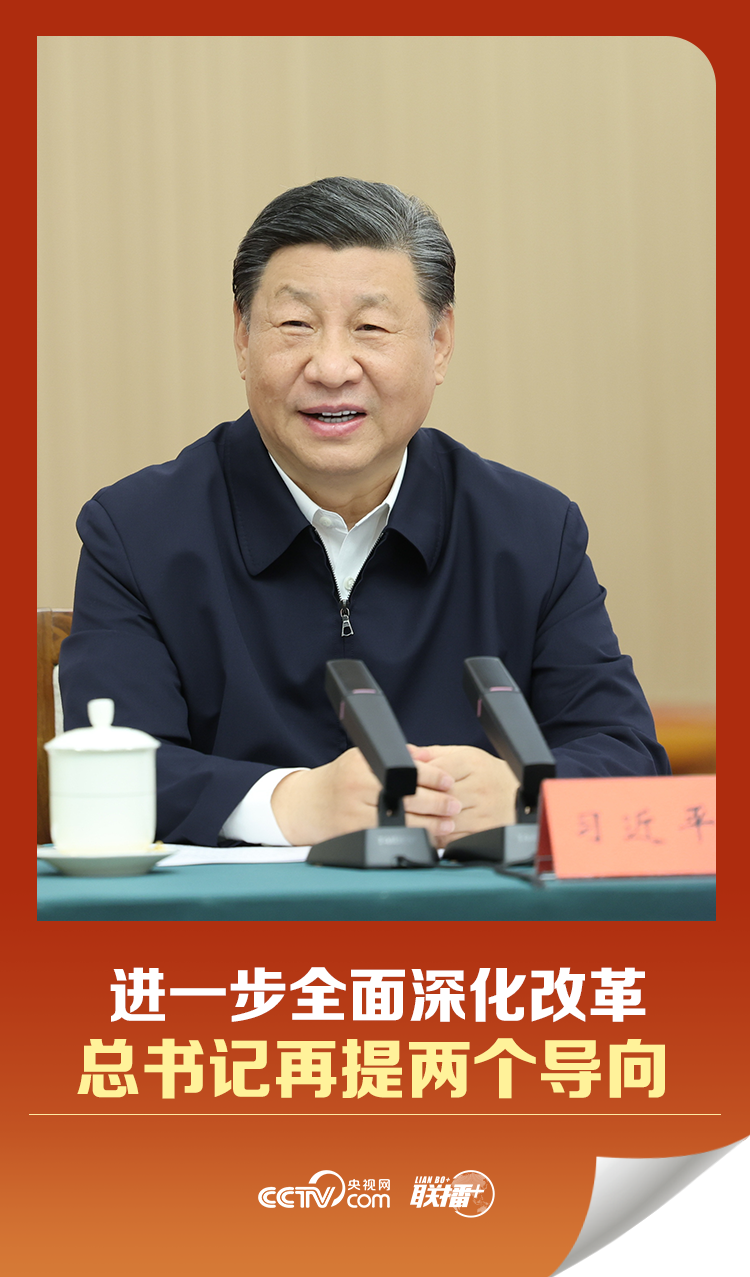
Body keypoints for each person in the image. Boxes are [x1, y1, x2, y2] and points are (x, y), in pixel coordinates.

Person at [59, 176, 669, 848]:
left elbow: (627, 757)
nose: (330, 367)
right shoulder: (136, 531)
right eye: (296, 325)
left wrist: (526, 794)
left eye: (370, 328)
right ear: (241, 336)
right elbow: (110, 766)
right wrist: (290, 803)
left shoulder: (532, 532)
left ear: (440, 343)